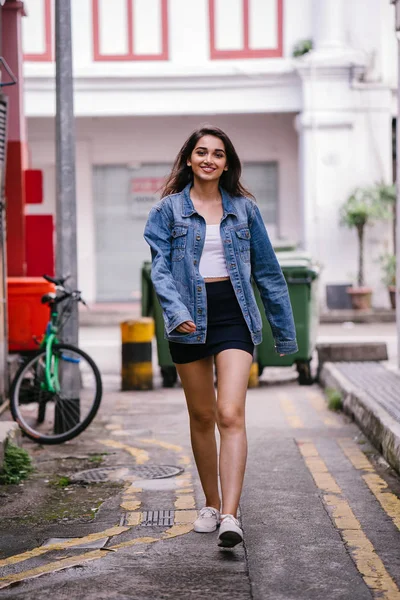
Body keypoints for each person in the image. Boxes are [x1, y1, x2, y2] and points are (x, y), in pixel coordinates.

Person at [144, 126, 298, 548]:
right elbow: (159, 269)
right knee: (202, 416)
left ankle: (230, 514)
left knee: (230, 412)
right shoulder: (167, 212)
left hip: (234, 314)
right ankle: (210, 503)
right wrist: (176, 313)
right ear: (189, 160)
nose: (209, 159)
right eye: (201, 152)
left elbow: (268, 272)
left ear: (227, 163)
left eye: (217, 153)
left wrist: (284, 335)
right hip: (188, 318)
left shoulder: (245, 210)